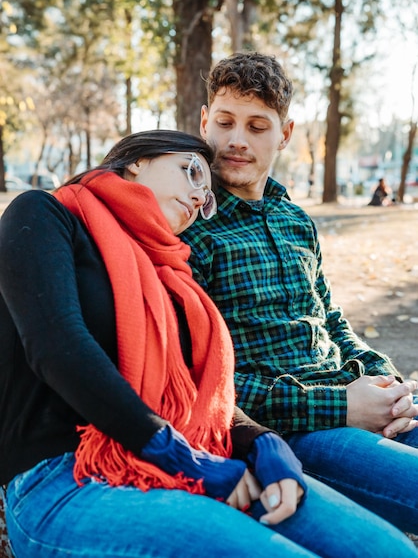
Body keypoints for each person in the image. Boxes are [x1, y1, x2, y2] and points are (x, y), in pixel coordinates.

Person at [2, 129, 415, 558]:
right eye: (191, 172)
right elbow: (58, 345)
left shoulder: (172, 276)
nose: (200, 197)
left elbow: (201, 386)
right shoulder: (44, 215)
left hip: (183, 459)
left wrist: (261, 443)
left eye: (207, 194)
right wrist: (176, 452)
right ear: (137, 160)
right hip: (62, 481)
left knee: (384, 548)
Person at [180, 51, 418, 536]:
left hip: (354, 393)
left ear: (285, 134)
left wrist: (389, 385)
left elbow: (330, 319)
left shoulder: (295, 220)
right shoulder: (192, 231)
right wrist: (342, 407)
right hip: (298, 429)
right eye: (224, 122)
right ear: (205, 121)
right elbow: (203, 381)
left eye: (257, 126)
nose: (237, 140)